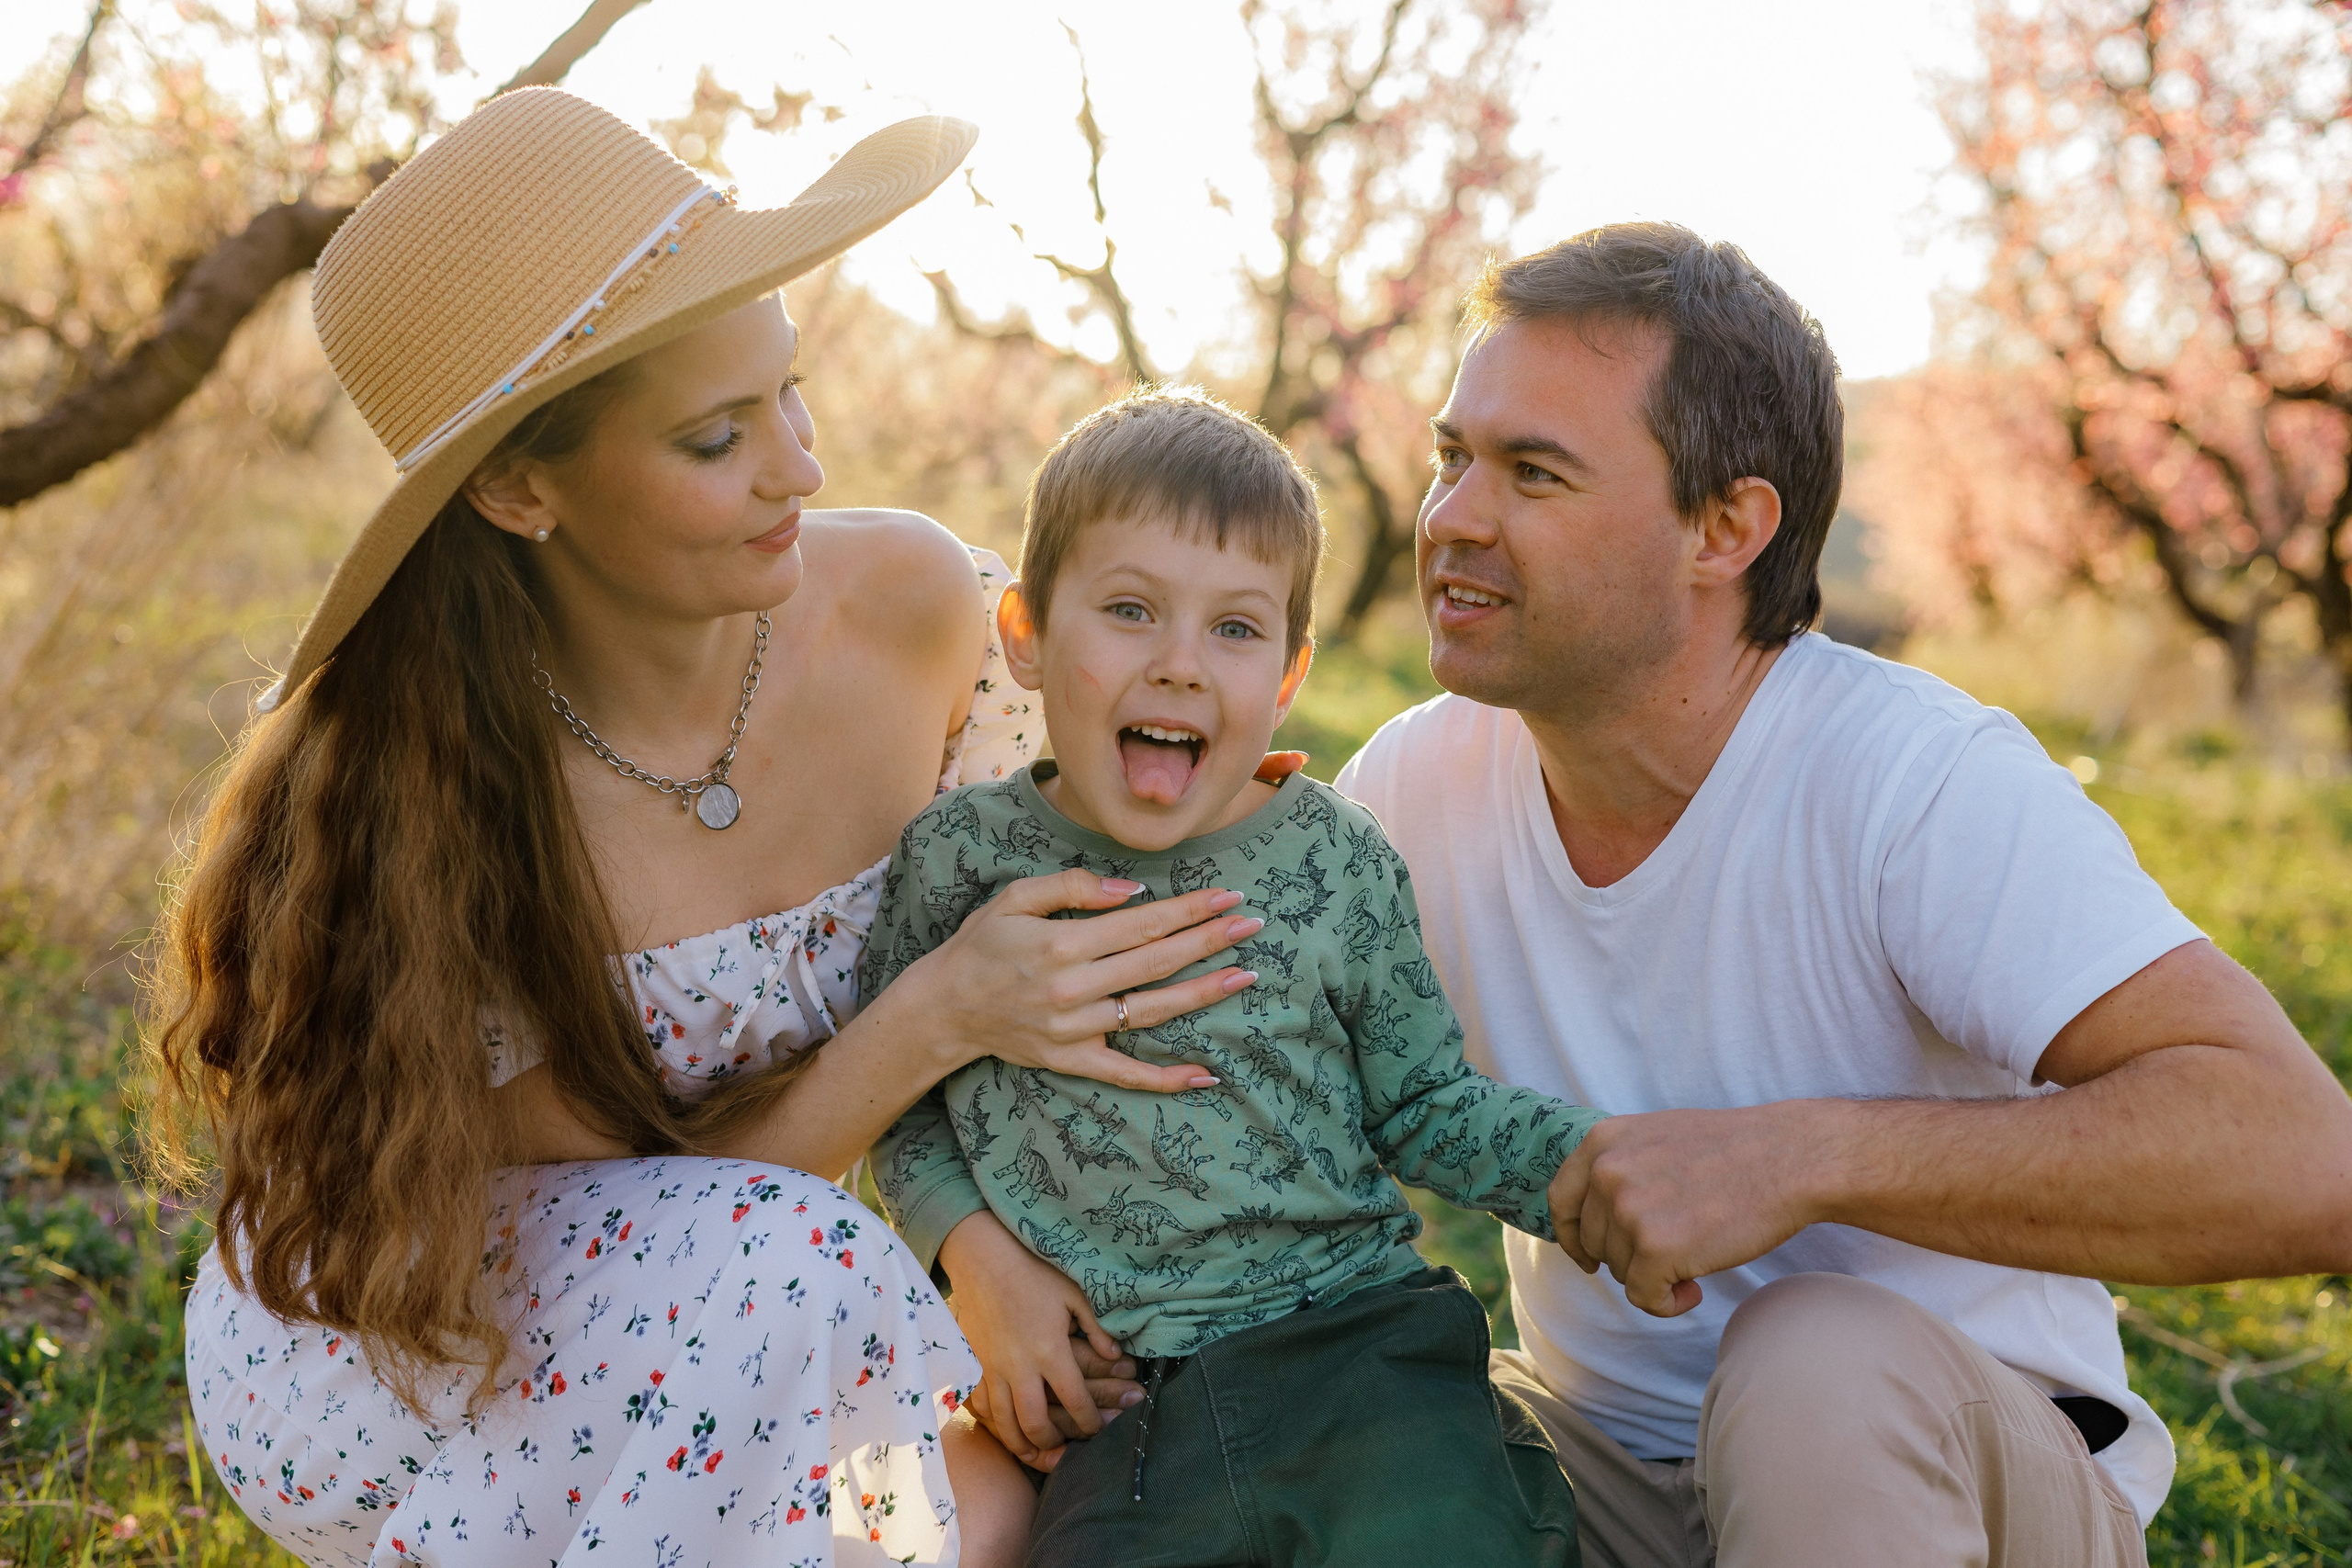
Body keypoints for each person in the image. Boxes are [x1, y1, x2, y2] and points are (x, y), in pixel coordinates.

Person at [148, 89, 1264, 1568]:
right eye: (717, 437)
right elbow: (693, 1187)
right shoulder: (415, 802)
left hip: (762, 1331)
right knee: (796, 1266)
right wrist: (931, 1014)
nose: (799, 466)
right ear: (519, 485)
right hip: (421, 1348)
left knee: (986, 1518)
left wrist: (978, 1246)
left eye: (789, 389)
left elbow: (1066, 970)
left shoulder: (918, 614)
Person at [1330, 221, 2352, 1566]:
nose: (1453, 518)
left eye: (1534, 472)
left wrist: (1802, 1157)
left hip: (1940, 1492)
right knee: (1344, 1388)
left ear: (1726, 527)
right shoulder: (1410, 788)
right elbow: (1230, 1075)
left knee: (1814, 1357)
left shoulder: (1916, 781)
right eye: (1450, 457)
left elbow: (2303, 1156)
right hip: (1605, 1480)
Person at [862, 389, 1601, 1566]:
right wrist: (977, 1254)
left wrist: (1592, 1175)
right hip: (1116, 1408)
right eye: (1129, 610)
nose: (1179, 666)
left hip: (1351, 1343)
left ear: (1290, 674)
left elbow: (1422, 1102)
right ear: (1025, 633)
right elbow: (898, 1100)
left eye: (1235, 630)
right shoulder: (960, 860)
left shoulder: (1334, 859)